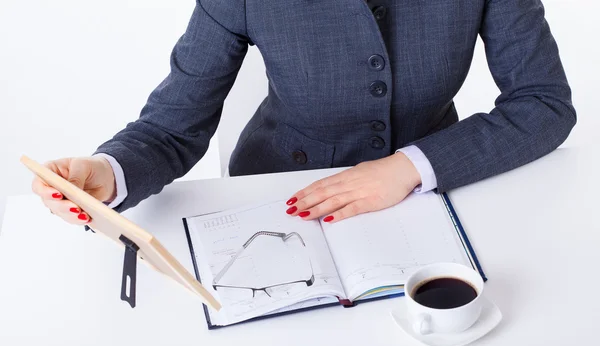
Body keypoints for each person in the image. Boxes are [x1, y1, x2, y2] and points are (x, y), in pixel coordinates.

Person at [32, 0, 576, 225]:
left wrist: (410, 167)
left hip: (436, 191)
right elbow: (171, 127)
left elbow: (544, 102)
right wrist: (108, 172)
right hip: (281, 199)